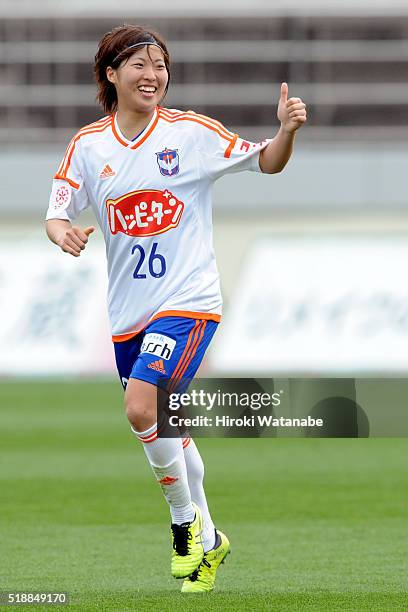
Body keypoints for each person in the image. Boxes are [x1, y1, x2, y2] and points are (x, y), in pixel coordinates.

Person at [45, 24, 306, 593]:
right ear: (111, 74)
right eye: (139, 64)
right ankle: (212, 540)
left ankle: (185, 526)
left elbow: (266, 162)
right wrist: (61, 231)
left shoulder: (190, 134)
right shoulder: (89, 145)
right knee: (169, 428)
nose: (152, 74)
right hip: (127, 316)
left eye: (160, 65)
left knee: (143, 408)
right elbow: (58, 208)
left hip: (189, 303)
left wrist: (284, 132)